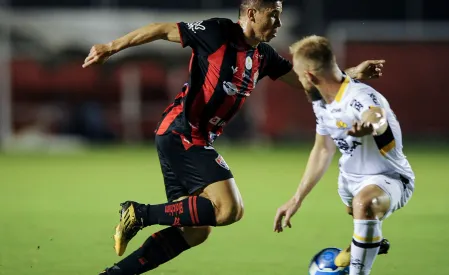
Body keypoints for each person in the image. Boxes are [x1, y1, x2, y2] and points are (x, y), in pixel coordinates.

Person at [82, 1, 384, 274]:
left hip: (192, 137)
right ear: (252, 13)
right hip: (183, 131)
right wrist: (111, 47)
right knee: (229, 210)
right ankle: (138, 213)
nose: (278, 24)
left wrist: (352, 74)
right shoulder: (217, 32)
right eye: (274, 16)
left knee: (196, 230)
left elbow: (309, 85)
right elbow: (161, 29)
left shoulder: (263, 55)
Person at [273, 35, 414, 275]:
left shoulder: (359, 96)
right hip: (349, 182)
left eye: (297, 74)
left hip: (389, 178)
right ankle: (368, 244)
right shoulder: (321, 102)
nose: (297, 79)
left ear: (309, 76)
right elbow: (322, 149)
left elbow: (376, 115)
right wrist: (297, 198)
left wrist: (370, 126)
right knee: (362, 219)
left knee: (365, 205)